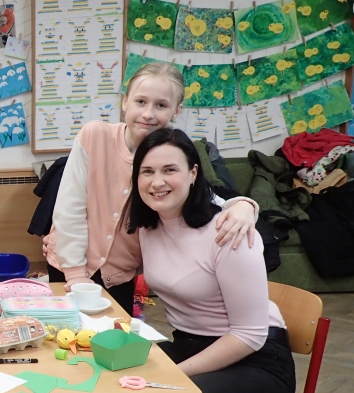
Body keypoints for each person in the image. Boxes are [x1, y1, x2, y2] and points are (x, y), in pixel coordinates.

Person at [125, 129, 296, 393]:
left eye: (170, 169)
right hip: (192, 347)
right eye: (147, 171)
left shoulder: (228, 229)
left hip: (256, 364)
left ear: (193, 173)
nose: (157, 181)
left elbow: (250, 335)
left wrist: (171, 376)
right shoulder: (149, 222)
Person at [46, 62, 259, 313]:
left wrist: (244, 205)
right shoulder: (95, 135)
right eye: (141, 102)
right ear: (125, 101)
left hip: (119, 275)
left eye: (161, 105)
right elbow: (69, 208)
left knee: (115, 334)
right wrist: (75, 274)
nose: (148, 114)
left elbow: (207, 199)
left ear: (176, 111)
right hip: (69, 265)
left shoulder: (173, 154)